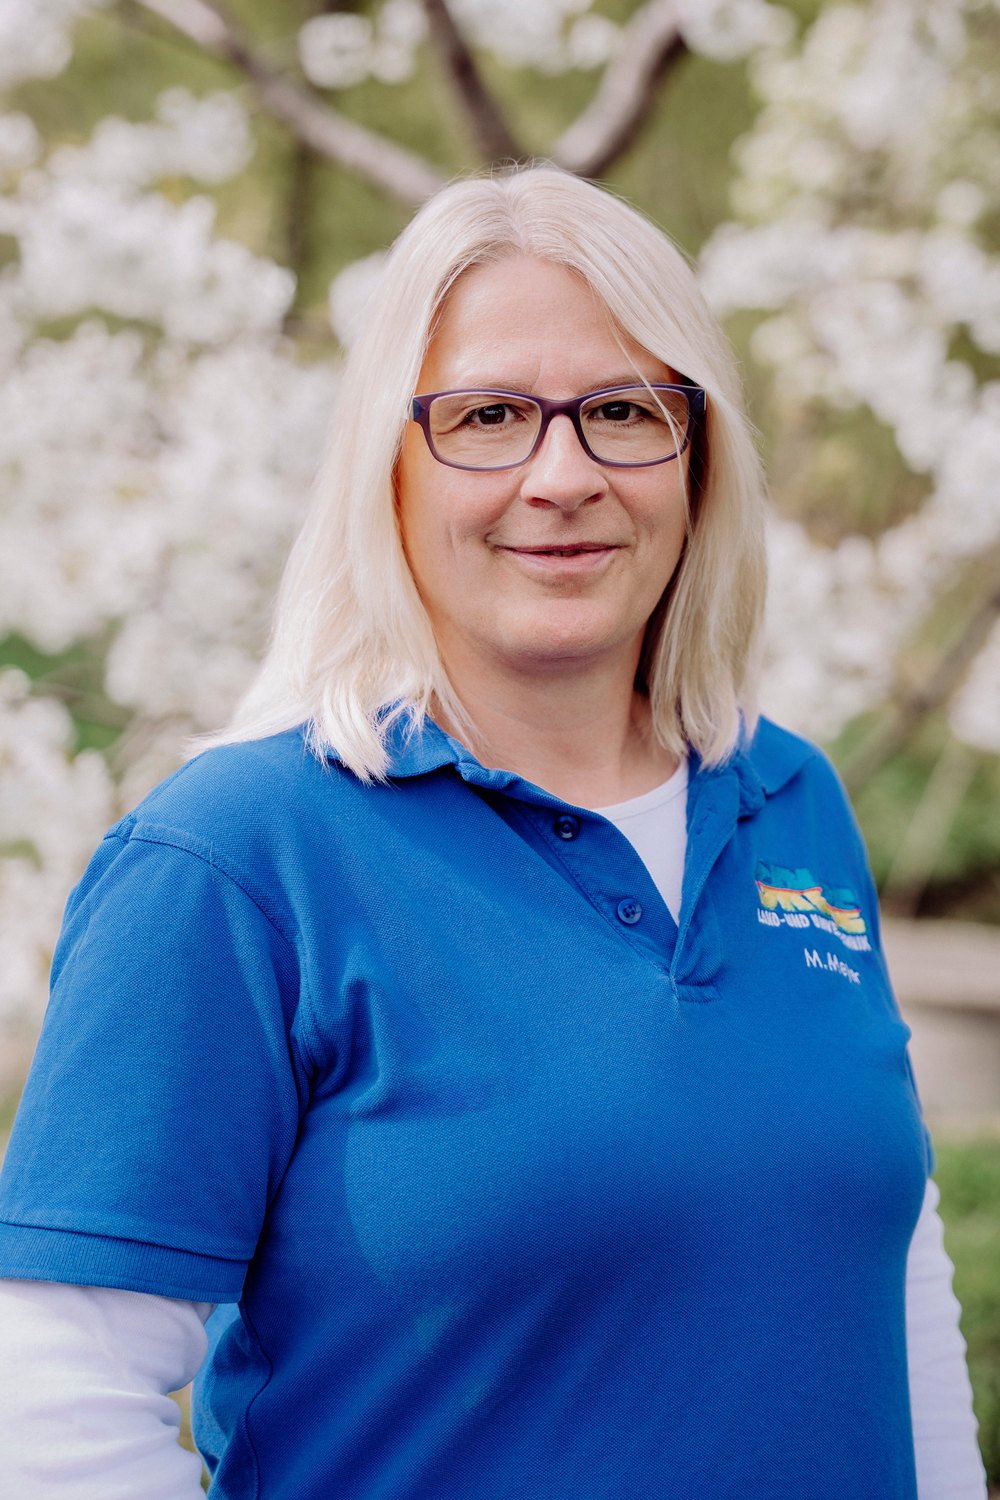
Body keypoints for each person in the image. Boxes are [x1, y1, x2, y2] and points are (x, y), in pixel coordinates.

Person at [0, 165, 987, 1500]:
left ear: (700, 459)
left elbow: (891, 1267)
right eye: (489, 416)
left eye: (625, 411)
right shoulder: (234, 863)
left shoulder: (789, 796)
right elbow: (52, 1406)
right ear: (388, 467)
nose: (563, 476)